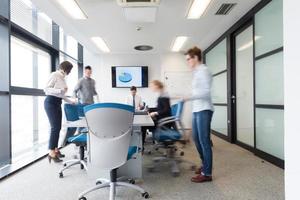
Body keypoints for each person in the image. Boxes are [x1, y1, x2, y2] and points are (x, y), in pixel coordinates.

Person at [184, 46, 214, 183]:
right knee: (196, 138)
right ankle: (204, 165)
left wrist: (188, 97)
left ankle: (207, 173)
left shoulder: (204, 71)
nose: (187, 62)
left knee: (204, 141)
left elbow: (206, 93)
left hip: (204, 109)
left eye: (188, 59)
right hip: (197, 109)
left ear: (196, 58)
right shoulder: (197, 73)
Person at [44, 61, 75, 163]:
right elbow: (46, 89)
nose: (69, 72)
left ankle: (56, 150)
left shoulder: (62, 77)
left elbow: (62, 95)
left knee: (58, 127)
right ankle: (51, 152)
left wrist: (71, 101)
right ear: (66, 69)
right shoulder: (55, 74)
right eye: (69, 70)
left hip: (57, 102)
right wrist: (60, 90)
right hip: (50, 102)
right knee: (55, 127)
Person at [141, 80, 174, 148]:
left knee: (143, 125)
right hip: (162, 120)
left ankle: (141, 147)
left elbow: (166, 110)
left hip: (163, 123)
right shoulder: (162, 94)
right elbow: (160, 108)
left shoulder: (164, 96)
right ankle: (141, 145)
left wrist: (155, 113)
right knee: (143, 124)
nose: (151, 88)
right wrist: (150, 109)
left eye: (152, 86)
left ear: (156, 86)